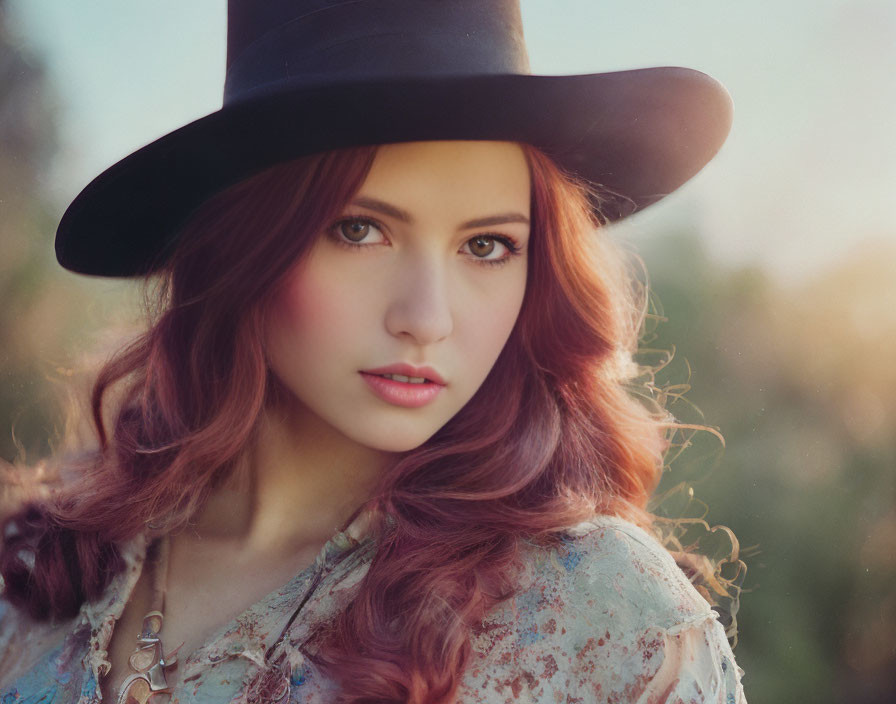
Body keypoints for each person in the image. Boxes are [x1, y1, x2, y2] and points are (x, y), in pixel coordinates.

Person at [0, 1, 747, 702]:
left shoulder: (608, 616)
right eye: (360, 230)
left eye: (487, 245)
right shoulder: (49, 569)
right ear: (242, 246)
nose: (426, 319)